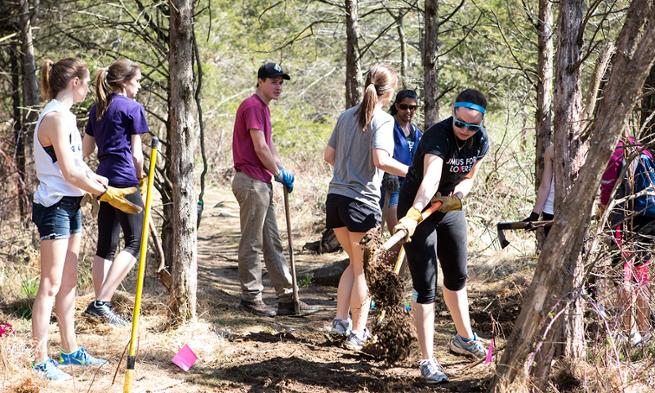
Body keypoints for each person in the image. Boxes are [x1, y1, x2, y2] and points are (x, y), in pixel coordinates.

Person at [31, 58, 139, 381]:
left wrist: (98, 182)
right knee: (49, 285)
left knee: (68, 282)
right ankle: (40, 359)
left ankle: (70, 349)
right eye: (87, 81)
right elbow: (68, 170)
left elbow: (80, 165)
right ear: (74, 82)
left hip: (71, 204)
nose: (91, 87)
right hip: (54, 208)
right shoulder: (53, 118)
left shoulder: (67, 118)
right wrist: (100, 190)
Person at [395, 89, 490, 383]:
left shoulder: (481, 140)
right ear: (453, 112)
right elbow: (431, 178)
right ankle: (427, 360)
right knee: (425, 286)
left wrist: (458, 195)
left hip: (448, 207)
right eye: (460, 123)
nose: (464, 130)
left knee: (458, 276)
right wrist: (413, 214)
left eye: (472, 126)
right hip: (418, 207)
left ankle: (464, 338)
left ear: (481, 123)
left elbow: (469, 176)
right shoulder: (437, 136)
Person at [324, 64, 409, 351]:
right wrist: (412, 172)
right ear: (389, 93)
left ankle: (339, 323)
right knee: (363, 271)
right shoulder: (382, 120)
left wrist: (347, 173)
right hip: (361, 204)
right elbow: (381, 160)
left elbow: (328, 155)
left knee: (354, 263)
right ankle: (357, 333)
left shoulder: (345, 115)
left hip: (335, 200)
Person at [231, 62, 317, 317]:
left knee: (272, 242)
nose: (278, 86)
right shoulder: (252, 106)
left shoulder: (264, 109)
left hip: (262, 182)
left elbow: (269, 148)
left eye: (281, 82)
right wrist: (278, 173)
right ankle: (251, 297)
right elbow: (259, 148)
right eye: (273, 81)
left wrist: (281, 170)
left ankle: (288, 299)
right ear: (260, 81)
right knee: (253, 242)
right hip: (251, 182)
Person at [82, 59, 149, 326]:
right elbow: (136, 154)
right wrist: (141, 175)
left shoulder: (96, 108)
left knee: (106, 245)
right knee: (135, 242)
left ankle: (102, 307)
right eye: (137, 81)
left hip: (102, 181)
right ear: (124, 82)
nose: (139, 86)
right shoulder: (133, 108)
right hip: (125, 181)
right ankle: (101, 303)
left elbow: (85, 151)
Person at [599, 136, 654, 346]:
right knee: (642, 274)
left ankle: (630, 334)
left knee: (623, 275)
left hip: (624, 218)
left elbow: (606, 192)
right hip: (649, 217)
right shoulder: (641, 147)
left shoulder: (614, 148)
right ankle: (645, 331)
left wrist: (602, 214)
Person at [380, 90, 423, 233]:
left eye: (413, 107)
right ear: (397, 106)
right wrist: (387, 173)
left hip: (411, 186)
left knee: (411, 235)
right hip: (391, 185)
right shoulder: (388, 125)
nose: (408, 111)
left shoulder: (417, 132)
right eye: (404, 107)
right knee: (397, 233)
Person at [523, 144, 554, 236]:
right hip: (551, 210)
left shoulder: (584, 146)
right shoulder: (551, 150)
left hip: (575, 209)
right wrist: (534, 215)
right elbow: (545, 185)